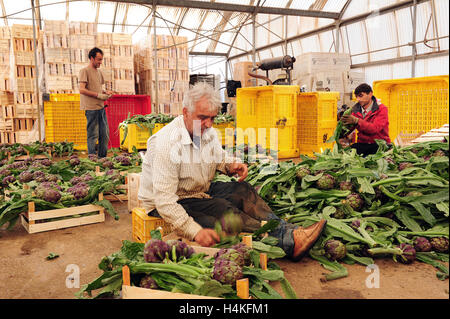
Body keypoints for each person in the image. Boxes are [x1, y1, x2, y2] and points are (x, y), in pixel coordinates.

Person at [138, 82, 326, 261]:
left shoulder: (205, 131)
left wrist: (231, 165)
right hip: (172, 201)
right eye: (202, 117)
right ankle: (289, 242)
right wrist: (194, 231)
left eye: (212, 118)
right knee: (225, 212)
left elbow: (218, 156)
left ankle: (287, 230)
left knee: (242, 190)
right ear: (185, 112)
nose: (209, 124)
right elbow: (164, 201)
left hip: (198, 189)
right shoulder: (166, 143)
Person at [79, 47, 114, 158]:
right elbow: (82, 89)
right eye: (98, 59)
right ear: (92, 58)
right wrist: (99, 95)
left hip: (101, 107)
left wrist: (105, 92)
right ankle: (92, 159)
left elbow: (98, 88)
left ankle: (103, 159)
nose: (100, 62)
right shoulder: (84, 71)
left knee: (104, 135)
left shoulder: (99, 72)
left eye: (101, 59)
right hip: (91, 109)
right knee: (93, 135)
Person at [339, 83, 391, 156]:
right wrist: (341, 135)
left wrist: (357, 121)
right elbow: (349, 128)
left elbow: (374, 129)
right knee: (346, 156)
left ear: (370, 94)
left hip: (379, 145)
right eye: (356, 97)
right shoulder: (356, 110)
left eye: (361, 96)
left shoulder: (381, 109)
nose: (358, 99)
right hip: (362, 144)